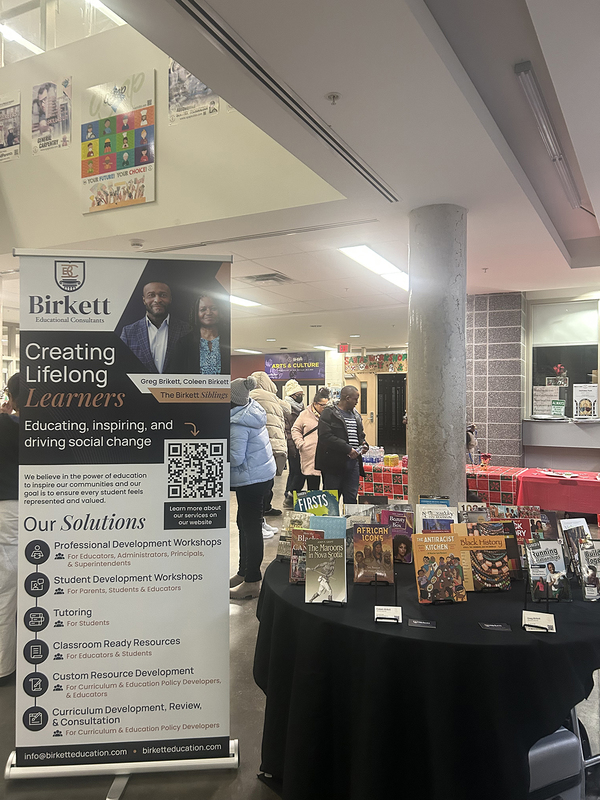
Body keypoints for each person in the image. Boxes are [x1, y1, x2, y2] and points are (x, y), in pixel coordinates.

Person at [229, 376, 276, 600]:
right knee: (245, 524)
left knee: (251, 527)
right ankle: (243, 572)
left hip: (251, 480)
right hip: (260, 476)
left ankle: (252, 581)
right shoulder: (251, 410)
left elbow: (235, 458)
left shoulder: (238, 423)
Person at [120, 281, 189, 373]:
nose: (157, 300)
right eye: (151, 295)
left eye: (163, 295)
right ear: (144, 300)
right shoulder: (128, 332)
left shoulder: (187, 330)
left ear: (170, 299)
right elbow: (121, 367)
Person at [315, 385, 367, 505]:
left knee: (351, 498)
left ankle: (350, 517)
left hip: (353, 465)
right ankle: (332, 518)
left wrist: (364, 445)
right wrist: (348, 449)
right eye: (355, 399)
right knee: (332, 500)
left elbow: (360, 435)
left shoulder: (356, 415)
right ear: (347, 398)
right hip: (333, 465)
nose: (357, 402)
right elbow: (325, 436)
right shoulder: (329, 413)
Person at [0, 374, 20, 684]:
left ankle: (4, 666)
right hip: (25, 507)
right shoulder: (45, 426)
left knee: (6, 588)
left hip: (7, 511)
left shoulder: (5, 424)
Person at [250, 372, 290, 523]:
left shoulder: (249, 395)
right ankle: (264, 510)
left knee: (256, 481)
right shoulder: (273, 397)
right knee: (268, 480)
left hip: (255, 443)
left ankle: (260, 515)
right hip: (274, 445)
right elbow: (288, 409)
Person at [291, 388, 329, 501]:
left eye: (326, 405)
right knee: (313, 485)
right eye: (322, 405)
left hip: (327, 455)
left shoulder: (330, 414)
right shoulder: (305, 414)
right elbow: (295, 429)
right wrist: (300, 443)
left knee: (328, 484)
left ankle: (326, 507)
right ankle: (313, 508)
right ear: (315, 404)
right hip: (310, 454)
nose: (324, 408)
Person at [170, 292, 223, 374]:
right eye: (203, 309)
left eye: (213, 308)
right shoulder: (184, 343)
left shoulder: (229, 340)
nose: (208, 313)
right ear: (196, 313)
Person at [282, 379, 305, 508]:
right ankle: (290, 496)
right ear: (292, 395)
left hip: (301, 444)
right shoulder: (286, 408)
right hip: (292, 446)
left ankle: (289, 495)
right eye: (299, 394)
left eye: (302, 394)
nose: (301, 396)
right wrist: (291, 447)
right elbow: (287, 431)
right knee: (297, 472)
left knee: (296, 472)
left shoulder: (302, 408)